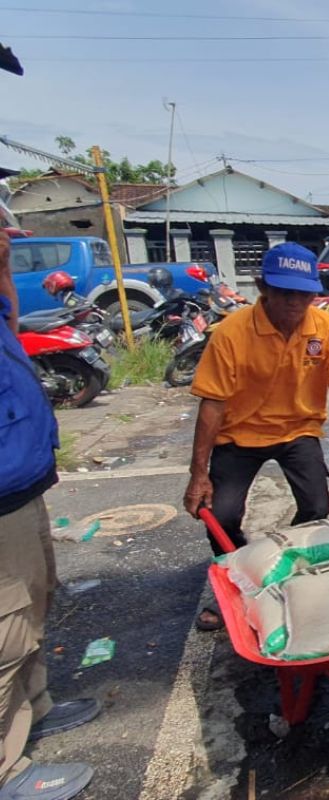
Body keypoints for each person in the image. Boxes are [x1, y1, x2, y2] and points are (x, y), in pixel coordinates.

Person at [183, 243, 329, 630]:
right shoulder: (232, 332)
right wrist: (198, 473)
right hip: (238, 435)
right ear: (263, 287)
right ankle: (238, 579)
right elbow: (211, 405)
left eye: (303, 292)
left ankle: (287, 570)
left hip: (298, 431)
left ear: (315, 292)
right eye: (283, 292)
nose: (294, 301)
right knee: (221, 514)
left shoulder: (327, 329)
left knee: (317, 507)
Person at [0, 230, 98, 800]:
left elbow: (9, 314)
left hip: (21, 484)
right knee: (5, 628)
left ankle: (34, 709)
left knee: (36, 600)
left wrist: (4, 262)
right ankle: (6, 768)